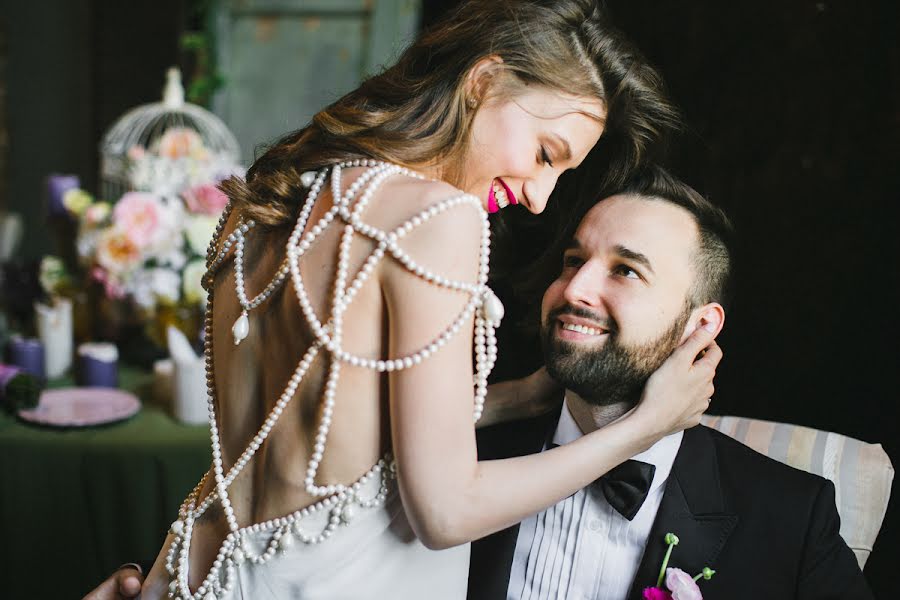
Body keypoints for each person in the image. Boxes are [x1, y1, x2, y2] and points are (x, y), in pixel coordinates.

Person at [87, 2, 723, 599]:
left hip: (197, 573)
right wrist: (647, 425)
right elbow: (446, 512)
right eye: (544, 154)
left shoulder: (269, 198)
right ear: (484, 81)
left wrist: (519, 399)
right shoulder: (438, 218)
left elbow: (330, 427)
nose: (540, 197)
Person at [468, 166, 873, 600]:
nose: (574, 289)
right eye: (573, 261)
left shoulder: (790, 516)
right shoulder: (461, 453)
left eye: (625, 270)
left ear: (698, 326)